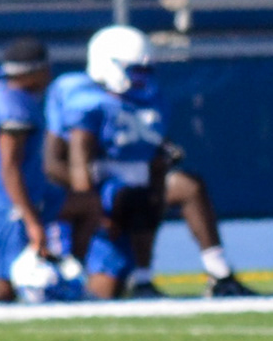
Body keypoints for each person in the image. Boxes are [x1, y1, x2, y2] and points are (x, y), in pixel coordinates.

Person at [51, 26, 253, 299]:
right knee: (103, 291)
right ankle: (123, 276)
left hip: (141, 186)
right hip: (104, 194)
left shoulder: (150, 97)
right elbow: (73, 160)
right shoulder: (84, 98)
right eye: (135, 70)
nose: (142, 78)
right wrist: (92, 207)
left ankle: (218, 273)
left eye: (146, 70)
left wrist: (164, 154)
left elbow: (155, 146)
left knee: (188, 186)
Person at [0, 34, 62, 280]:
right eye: (44, 68)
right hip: (6, 203)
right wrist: (32, 221)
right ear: (32, 72)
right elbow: (9, 167)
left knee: (86, 205)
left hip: (10, 197)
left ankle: (71, 267)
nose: (49, 74)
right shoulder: (14, 105)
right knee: (2, 287)